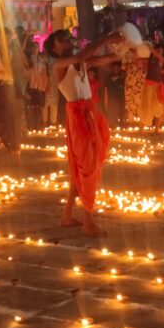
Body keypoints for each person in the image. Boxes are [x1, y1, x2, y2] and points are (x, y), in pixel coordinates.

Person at [45, 29, 121, 237]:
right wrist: (106, 39)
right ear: (54, 49)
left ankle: (67, 215)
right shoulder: (59, 64)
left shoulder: (82, 63)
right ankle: (88, 221)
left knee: (80, 170)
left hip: (90, 113)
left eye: (67, 38)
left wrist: (124, 51)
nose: (67, 41)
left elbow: (103, 59)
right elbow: (81, 56)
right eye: (62, 40)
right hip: (78, 118)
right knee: (88, 167)